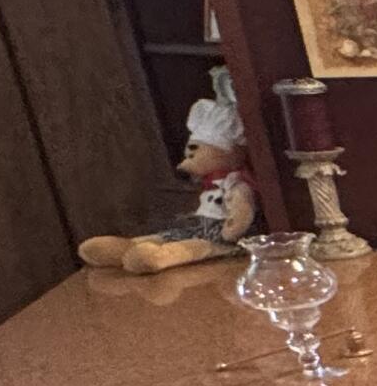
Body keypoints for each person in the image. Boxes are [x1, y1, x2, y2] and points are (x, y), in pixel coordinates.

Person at [77, 91, 258, 275]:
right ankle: (127, 247)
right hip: (199, 226)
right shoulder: (209, 182)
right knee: (170, 236)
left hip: (222, 237)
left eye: (196, 152)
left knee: (198, 247)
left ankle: (159, 258)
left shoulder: (236, 183)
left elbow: (241, 209)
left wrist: (234, 227)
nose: (190, 159)